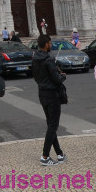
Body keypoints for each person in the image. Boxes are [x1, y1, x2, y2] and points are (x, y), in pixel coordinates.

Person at [32, 33, 67, 166]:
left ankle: (59, 154)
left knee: (51, 125)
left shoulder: (35, 58)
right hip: (52, 95)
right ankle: (45, 156)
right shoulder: (48, 59)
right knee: (53, 125)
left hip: (42, 93)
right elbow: (57, 80)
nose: (51, 45)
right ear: (46, 44)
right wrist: (63, 76)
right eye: (50, 43)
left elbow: (36, 76)